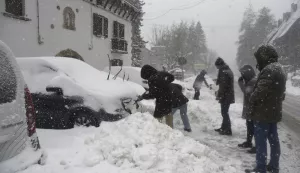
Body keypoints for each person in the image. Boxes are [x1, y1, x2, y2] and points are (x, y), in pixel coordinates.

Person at [245, 45, 286, 173]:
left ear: (264, 57)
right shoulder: (280, 68)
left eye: (259, 59)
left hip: (263, 113)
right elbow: (281, 93)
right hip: (273, 111)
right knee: (274, 141)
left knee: (260, 141)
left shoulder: (269, 70)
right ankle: (274, 166)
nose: (258, 62)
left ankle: (260, 168)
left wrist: (251, 98)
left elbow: (260, 92)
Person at [237, 65, 257, 154]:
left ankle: (257, 146)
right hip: (250, 109)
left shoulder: (253, 82)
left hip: (252, 110)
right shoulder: (251, 81)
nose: (242, 76)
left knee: (254, 128)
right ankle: (249, 142)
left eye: (243, 74)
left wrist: (240, 82)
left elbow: (246, 92)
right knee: (250, 126)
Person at [214, 57, 235, 136]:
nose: (216, 68)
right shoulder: (227, 69)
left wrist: (220, 95)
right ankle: (223, 127)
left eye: (216, 66)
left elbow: (223, 85)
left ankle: (228, 130)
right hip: (228, 94)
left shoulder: (223, 71)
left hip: (226, 95)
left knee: (224, 112)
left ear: (219, 65)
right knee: (224, 112)